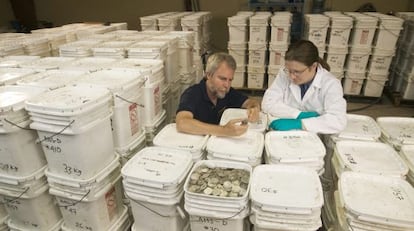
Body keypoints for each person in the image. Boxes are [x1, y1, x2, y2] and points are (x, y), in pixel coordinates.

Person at [261, 40, 347, 134]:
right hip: (283, 134)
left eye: (297, 72)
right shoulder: (284, 74)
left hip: (313, 137)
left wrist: (301, 123)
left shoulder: (330, 84)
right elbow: (267, 103)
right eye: (289, 70)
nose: (291, 76)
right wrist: (297, 114)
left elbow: (337, 120)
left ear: (313, 66)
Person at [176, 52, 261, 136]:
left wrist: (254, 108)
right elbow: (182, 122)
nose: (227, 85)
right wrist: (224, 130)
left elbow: (249, 102)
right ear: (208, 75)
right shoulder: (192, 94)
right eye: (222, 79)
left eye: (230, 80)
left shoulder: (228, 93)